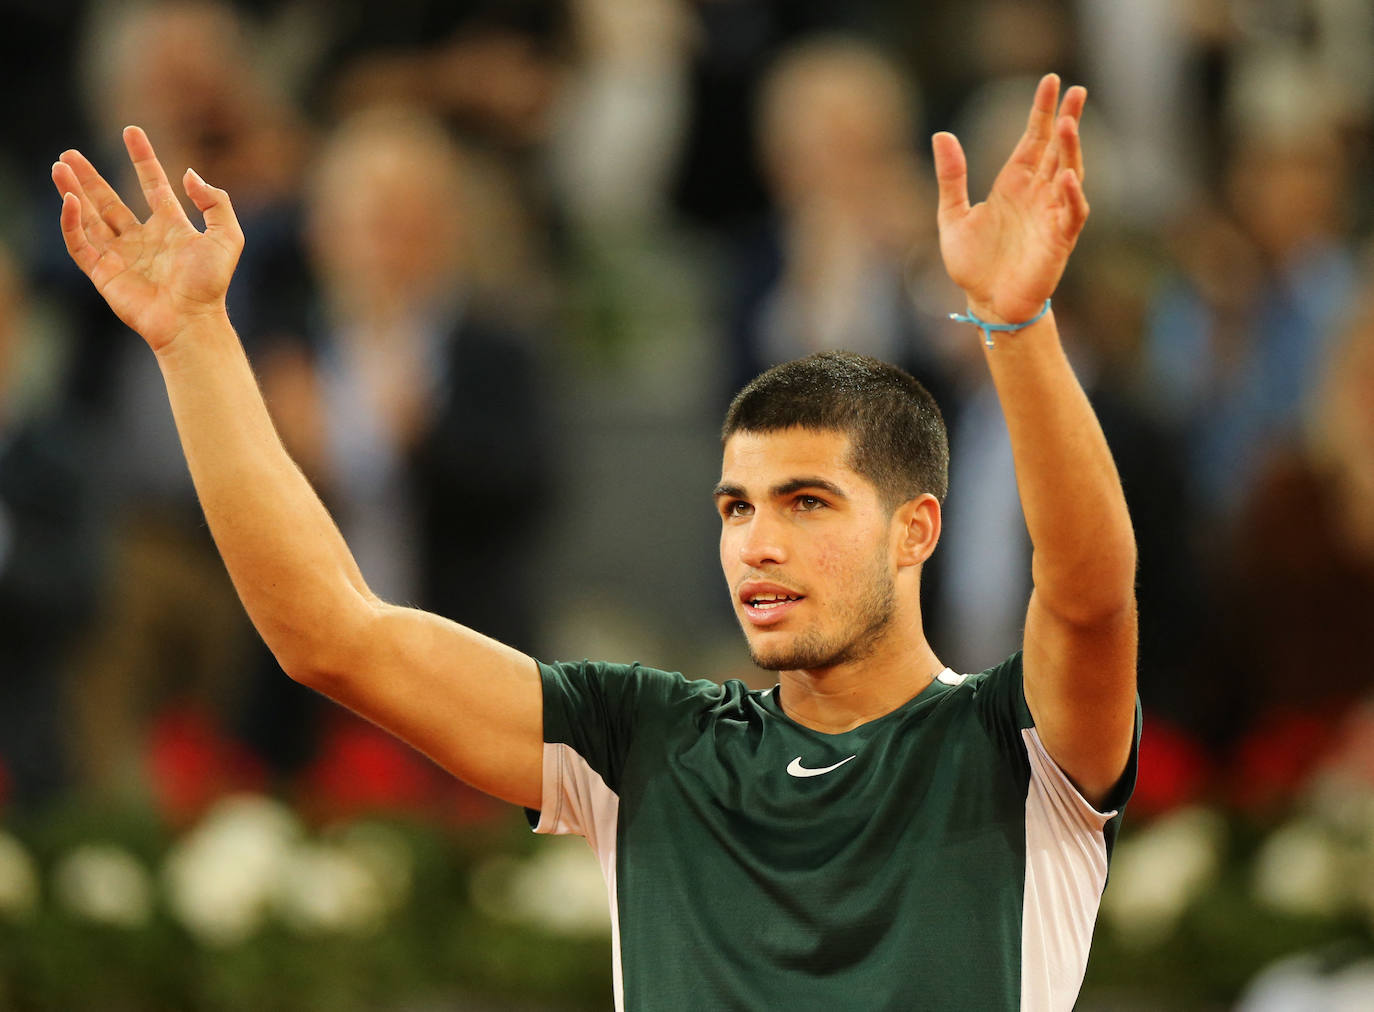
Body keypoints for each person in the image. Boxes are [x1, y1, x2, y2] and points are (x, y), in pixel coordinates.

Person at [52, 73, 1139, 1010]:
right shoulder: (645, 739)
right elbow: (331, 632)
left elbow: (1088, 590)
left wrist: (1018, 324)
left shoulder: (1016, 742)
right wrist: (194, 339)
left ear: (917, 530)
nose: (757, 542)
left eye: (807, 502)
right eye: (736, 507)